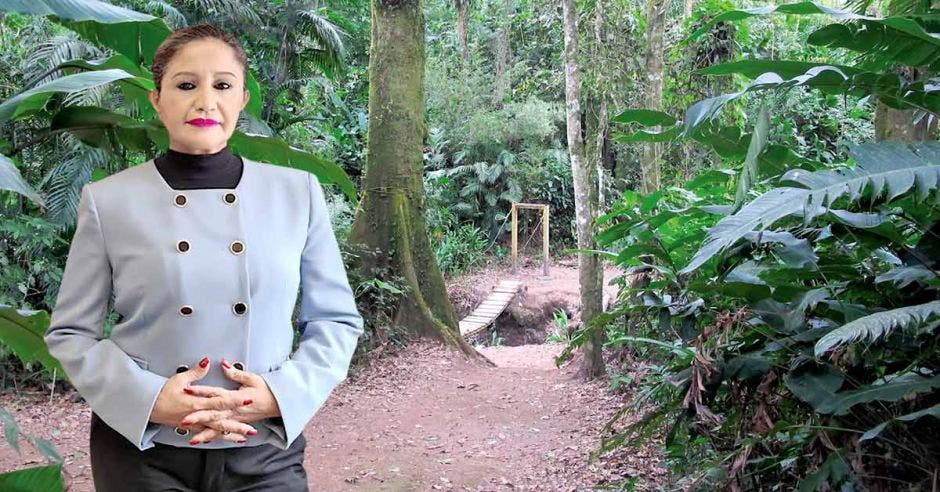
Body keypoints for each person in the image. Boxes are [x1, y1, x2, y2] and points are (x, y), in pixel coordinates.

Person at [43, 23, 364, 491]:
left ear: (241, 99)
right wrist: (152, 400)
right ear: (158, 99)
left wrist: (280, 393)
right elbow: (72, 333)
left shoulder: (297, 194)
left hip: (264, 448)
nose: (205, 101)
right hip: (144, 452)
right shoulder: (108, 200)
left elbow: (336, 321)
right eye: (186, 85)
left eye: (223, 85)